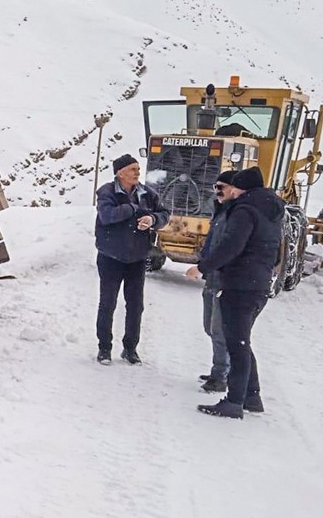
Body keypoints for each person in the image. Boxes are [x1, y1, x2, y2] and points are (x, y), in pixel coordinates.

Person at [193, 166, 284, 418]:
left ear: (240, 188)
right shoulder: (271, 211)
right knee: (242, 340)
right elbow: (276, 253)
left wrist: (203, 267)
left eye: (231, 186)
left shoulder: (244, 210)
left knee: (237, 344)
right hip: (258, 284)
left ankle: (233, 402)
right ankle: (252, 397)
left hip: (239, 285)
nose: (228, 190)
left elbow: (231, 246)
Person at [94, 153, 171, 365]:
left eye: (138, 169)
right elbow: (107, 216)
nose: (137, 172)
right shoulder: (106, 192)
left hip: (137, 258)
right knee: (107, 303)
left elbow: (165, 214)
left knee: (136, 305)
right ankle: (104, 348)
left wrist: (153, 219)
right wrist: (133, 209)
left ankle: (130, 348)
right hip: (111, 257)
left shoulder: (147, 193)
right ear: (120, 173)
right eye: (132, 169)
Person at [184, 171, 236, 393]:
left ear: (233, 189)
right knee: (210, 326)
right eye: (215, 187)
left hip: (222, 278)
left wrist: (206, 265)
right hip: (211, 277)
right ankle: (223, 369)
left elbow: (227, 248)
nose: (217, 191)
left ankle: (221, 375)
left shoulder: (236, 214)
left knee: (219, 329)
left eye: (221, 187)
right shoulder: (221, 210)